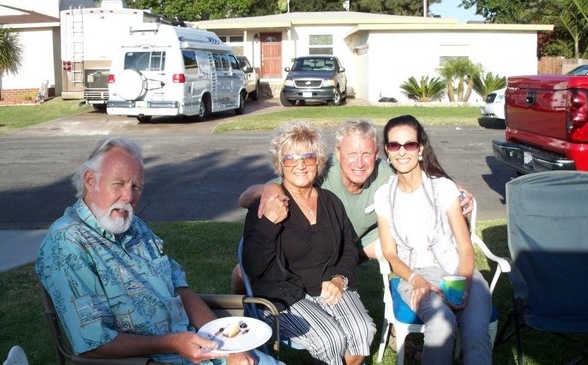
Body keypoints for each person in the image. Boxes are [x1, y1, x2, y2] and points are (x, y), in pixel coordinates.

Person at [35, 136, 282, 365]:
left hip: (199, 350)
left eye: (137, 187)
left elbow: (181, 290)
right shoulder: (67, 244)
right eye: (119, 184)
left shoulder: (135, 227)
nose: (128, 196)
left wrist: (229, 347)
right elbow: (93, 343)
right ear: (91, 181)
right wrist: (173, 343)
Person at [234, 120, 473, 292]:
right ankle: (245, 315)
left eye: (366, 154)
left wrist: (458, 190)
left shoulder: (387, 172)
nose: (359, 163)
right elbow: (244, 198)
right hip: (315, 245)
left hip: (357, 246)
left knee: (402, 242)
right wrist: (269, 188)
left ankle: (409, 316)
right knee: (240, 273)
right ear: (337, 154)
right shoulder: (318, 170)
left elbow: (426, 179)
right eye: (351, 154)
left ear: (377, 154)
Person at [242, 121, 376, 365]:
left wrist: (339, 278)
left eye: (309, 157)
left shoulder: (330, 202)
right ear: (280, 163)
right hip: (282, 294)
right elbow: (253, 266)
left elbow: (347, 247)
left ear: (319, 161)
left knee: (363, 331)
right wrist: (269, 223)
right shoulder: (267, 205)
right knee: (330, 338)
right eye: (291, 158)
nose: (301, 165)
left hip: (327, 286)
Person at [374, 115, 492, 364]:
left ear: (421, 149)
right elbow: (390, 254)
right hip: (415, 275)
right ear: (387, 150)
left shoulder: (443, 188)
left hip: (457, 271)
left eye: (410, 144)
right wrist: (418, 281)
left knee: (476, 335)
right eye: (395, 145)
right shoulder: (384, 196)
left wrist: (463, 288)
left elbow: (464, 246)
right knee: (441, 323)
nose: (402, 151)